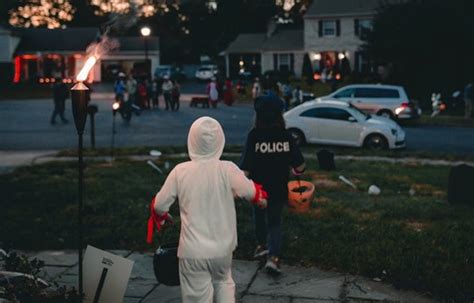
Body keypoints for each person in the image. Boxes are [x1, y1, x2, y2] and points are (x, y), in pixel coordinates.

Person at [147, 116, 268, 303]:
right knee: (224, 283)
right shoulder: (228, 169)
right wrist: (260, 200)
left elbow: (159, 205)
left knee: (197, 294)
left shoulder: (180, 171)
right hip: (222, 250)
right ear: (220, 141)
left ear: (191, 141)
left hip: (192, 251)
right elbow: (251, 191)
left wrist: (163, 216)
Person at [240, 92, 305, 275]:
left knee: (259, 217)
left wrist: (240, 186)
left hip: (258, 190)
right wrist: (296, 171)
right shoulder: (286, 136)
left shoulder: (254, 136)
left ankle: (261, 246)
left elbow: (245, 168)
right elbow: (300, 165)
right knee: (275, 222)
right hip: (278, 189)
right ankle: (274, 258)